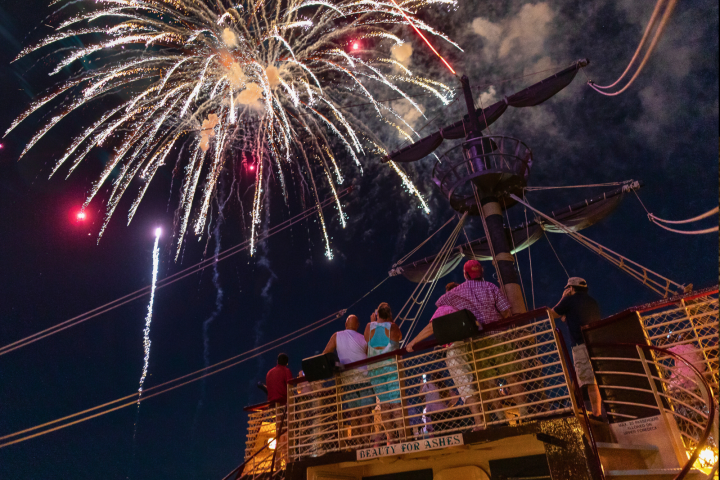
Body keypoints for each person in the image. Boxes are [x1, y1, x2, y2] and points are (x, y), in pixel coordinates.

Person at [406, 282, 486, 431]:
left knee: (464, 386)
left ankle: (479, 422)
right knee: (475, 384)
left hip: (454, 349)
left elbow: (431, 327)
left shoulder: (445, 308)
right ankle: (486, 419)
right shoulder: (463, 309)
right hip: (468, 347)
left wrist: (413, 342)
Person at [549, 277, 603, 420]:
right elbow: (576, 317)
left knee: (588, 380)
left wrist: (562, 298)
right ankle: (577, 407)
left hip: (580, 345)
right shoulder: (592, 302)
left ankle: (594, 413)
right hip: (594, 343)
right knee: (580, 376)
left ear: (571, 288)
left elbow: (553, 314)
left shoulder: (570, 300)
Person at [322, 315, 374, 446]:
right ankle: (366, 442)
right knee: (366, 412)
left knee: (354, 413)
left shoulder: (336, 336)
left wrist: (335, 366)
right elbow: (370, 355)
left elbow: (326, 353)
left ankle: (357, 442)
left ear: (346, 325)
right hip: (365, 378)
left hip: (347, 380)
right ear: (357, 326)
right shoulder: (363, 338)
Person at [365, 302, 404, 445]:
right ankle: (402, 434)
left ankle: (391, 438)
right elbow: (399, 337)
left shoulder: (369, 327)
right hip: (391, 368)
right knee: (396, 403)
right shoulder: (393, 326)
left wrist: (373, 321)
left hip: (375, 370)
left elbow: (366, 339)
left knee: (384, 404)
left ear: (377, 314)